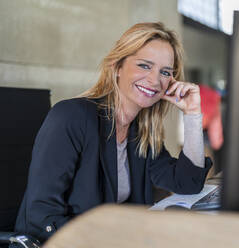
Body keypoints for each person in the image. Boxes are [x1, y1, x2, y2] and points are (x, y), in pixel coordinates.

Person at [14, 22, 212, 243]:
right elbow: (40, 218)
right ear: (117, 67)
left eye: (165, 72)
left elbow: (188, 183)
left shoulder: (142, 133)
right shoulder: (71, 117)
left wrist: (192, 114)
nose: (155, 80)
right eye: (145, 66)